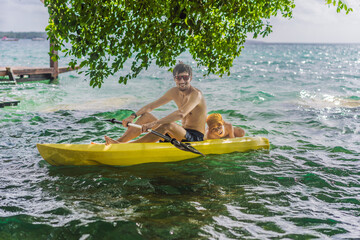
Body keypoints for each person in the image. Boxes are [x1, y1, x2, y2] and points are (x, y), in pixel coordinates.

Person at [104, 62, 207, 144]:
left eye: (185, 77)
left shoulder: (196, 95)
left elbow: (181, 114)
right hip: (180, 134)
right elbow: (151, 106)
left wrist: (154, 123)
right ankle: (117, 143)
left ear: (191, 78)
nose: (182, 81)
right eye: (178, 77)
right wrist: (133, 116)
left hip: (194, 138)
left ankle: (129, 146)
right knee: (146, 116)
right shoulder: (174, 92)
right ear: (174, 79)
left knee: (168, 124)